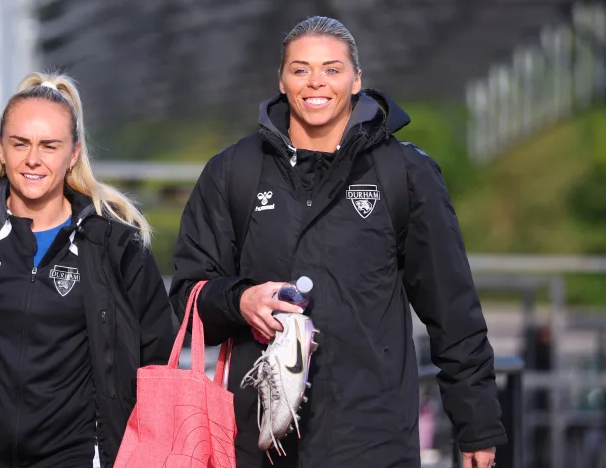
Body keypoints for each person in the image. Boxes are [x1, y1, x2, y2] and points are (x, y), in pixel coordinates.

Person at [169, 16, 506, 468]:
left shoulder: (404, 173)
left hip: (375, 437)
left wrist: (477, 424)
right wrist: (240, 299)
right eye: (300, 69)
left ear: (356, 80)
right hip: (261, 440)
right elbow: (187, 295)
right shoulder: (234, 172)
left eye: (332, 69)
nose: (316, 83)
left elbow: (452, 307)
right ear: (282, 81)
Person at [0, 72, 176, 468]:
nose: (33, 159)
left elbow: (156, 358)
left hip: (74, 456)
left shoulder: (113, 242)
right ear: (2, 149)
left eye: (49, 146)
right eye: (20, 143)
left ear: (73, 153)